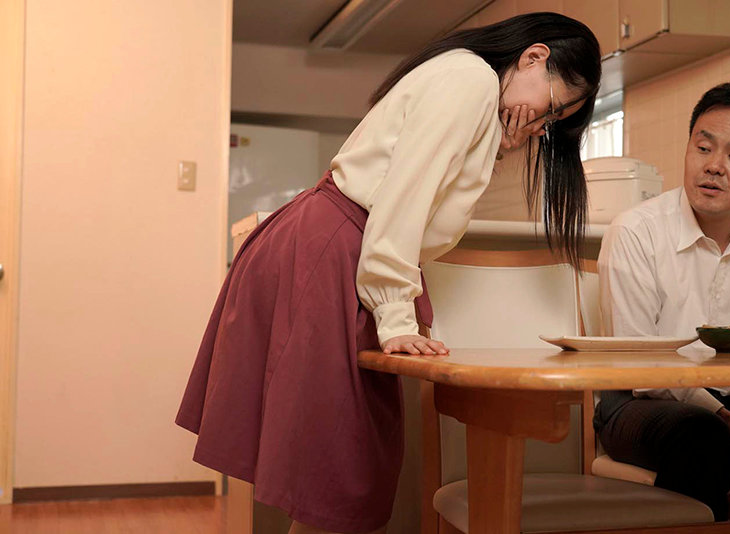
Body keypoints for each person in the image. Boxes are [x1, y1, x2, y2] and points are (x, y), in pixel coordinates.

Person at [176, 12, 600, 534]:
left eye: (551, 123)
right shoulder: (471, 80)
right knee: (339, 472)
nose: (540, 124)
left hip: (335, 244)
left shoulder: (469, 83)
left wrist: (495, 145)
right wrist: (395, 312)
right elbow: (405, 198)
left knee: (335, 474)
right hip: (335, 247)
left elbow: (428, 203)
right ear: (534, 57)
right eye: (552, 107)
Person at [594, 81, 730, 521]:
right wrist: (725, 418)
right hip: (641, 402)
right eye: (703, 148)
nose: (714, 166)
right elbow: (641, 363)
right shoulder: (636, 231)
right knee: (702, 436)